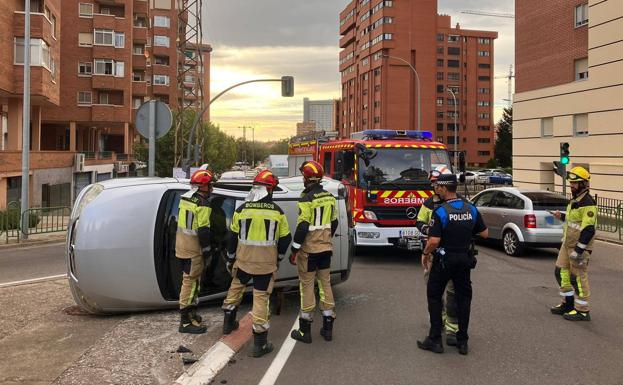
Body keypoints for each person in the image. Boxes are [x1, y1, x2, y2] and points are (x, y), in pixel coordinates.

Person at [221, 169, 292, 358]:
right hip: (265, 264)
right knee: (260, 298)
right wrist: (278, 258)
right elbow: (286, 239)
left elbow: (232, 237)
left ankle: (228, 324)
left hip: (243, 261)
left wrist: (230, 257)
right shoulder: (277, 212)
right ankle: (260, 344)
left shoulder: (241, 209)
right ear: (269, 190)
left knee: (235, 288)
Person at [417, 174, 488, 355]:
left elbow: (434, 240)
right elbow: (485, 233)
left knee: (434, 296)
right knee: (463, 299)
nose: (436, 189)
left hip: (444, 259)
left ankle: (435, 340)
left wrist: (425, 253)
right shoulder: (470, 208)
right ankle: (462, 341)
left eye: (438, 186)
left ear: (443, 188)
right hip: (464, 259)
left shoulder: (441, 211)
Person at [290, 160, 339, 343]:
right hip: (325, 249)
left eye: (304, 176)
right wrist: (325, 238)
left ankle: (305, 331)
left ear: (308, 178)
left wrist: (295, 249)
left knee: (307, 287)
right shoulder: (329, 197)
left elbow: (303, 226)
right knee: (325, 284)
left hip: (309, 251)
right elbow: (333, 223)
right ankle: (327, 329)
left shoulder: (306, 199)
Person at [415, 165, 459, 346]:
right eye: (433, 184)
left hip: (449, 253)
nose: (435, 187)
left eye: (437, 184)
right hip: (434, 253)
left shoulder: (457, 202)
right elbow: (419, 221)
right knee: (434, 292)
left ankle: (452, 329)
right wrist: (428, 229)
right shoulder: (429, 203)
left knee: (452, 292)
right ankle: (439, 321)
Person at [550, 166, 596, 321]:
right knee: (561, 272)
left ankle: (582, 310)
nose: (572, 186)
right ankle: (568, 304)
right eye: (571, 183)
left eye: (575, 183)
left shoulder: (588, 202)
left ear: (584, 184)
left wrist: (579, 250)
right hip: (567, 244)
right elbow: (574, 221)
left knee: (578, 277)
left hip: (579, 248)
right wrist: (561, 216)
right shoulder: (575, 200)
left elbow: (588, 229)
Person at [176, 169, 215, 334]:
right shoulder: (203, 204)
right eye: (210, 184)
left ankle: (191, 314)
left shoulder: (186, 198)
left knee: (192, 282)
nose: (212, 187)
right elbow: (204, 230)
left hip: (182, 246)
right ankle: (185, 322)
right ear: (203, 186)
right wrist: (207, 251)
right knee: (190, 283)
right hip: (193, 250)